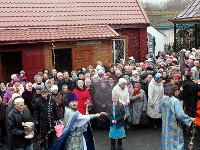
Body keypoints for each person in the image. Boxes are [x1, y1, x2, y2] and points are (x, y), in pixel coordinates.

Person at [159, 85, 195, 150]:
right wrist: (190, 120)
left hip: (165, 124)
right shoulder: (175, 101)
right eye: (179, 91)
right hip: (174, 124)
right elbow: (180, 115)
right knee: (175, 141)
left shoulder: (163, 99)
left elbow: (159, 110)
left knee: (166, 140)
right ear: (176, 91)